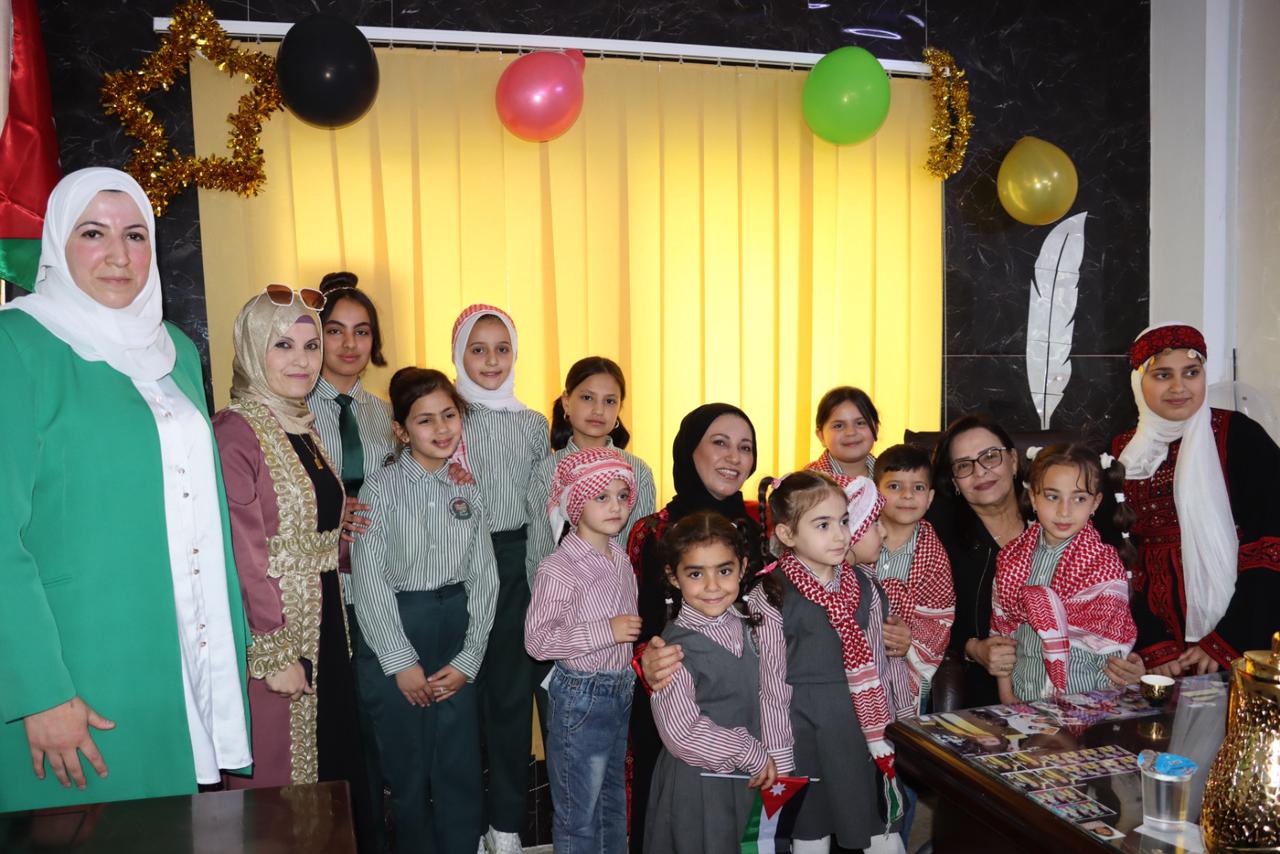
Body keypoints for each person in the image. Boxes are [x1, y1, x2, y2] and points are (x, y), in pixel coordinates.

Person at [0, 167, 252, 812]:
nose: (119, 254)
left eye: (136, 235)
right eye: (93, 233)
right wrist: (39, 691)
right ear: (57, 243)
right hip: (78, 662)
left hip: (179, 652)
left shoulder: (174, 349)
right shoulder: (16, 344)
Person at [214, 287, 365, 799]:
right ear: (252, 348)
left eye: (311, 345)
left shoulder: (300, 424)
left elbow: (316, 534)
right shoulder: (236, 431)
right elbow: (242, 550)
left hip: (326, 626)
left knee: (329, 766)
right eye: (283, 345)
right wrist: (275, 650)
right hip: (277, 634)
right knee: (281, 778)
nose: (302, 360)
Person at [351, 367, 498, 854]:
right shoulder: (380, 489)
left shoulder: (467, 487)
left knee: (459, 764)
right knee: (406, 769)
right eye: (425, 420)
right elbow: (369, 580)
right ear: (400, 430)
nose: (441, 429)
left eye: (449, 415)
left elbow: (485, 576)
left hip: (456, 628)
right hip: (399, 628)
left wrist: (469, 658)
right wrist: (400, 662)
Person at [626, 402, 761, 853]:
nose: (734, 457)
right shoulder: (653, 532)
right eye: (720, 443)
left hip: (749, 702)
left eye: (745, 447)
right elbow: (632, 619)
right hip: (677, 694)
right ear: (689, 450)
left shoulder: (762, 527)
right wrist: (645, 659)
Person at [751, 472, 910, 854]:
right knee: (810, 833)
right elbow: (771, 686)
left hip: (864, 731)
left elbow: (885, 666)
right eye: (822, 525)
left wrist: (905, 724)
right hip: (804, 735)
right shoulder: (770, 594)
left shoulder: (868, 587)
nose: (840, 535)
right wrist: (779, 755)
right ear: (787, 534)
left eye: (843, 521)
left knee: (881, 831)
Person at [1113, 323, 1280, 674]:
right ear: (1138, 382)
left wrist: (1230, 639)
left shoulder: (1239, 437)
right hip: (1150, 652)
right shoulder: (1119, 453)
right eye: (1162, 375)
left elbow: (1270, 545)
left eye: (1192, 372)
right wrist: (1152, 646)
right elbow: (1111, 557)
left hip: (1238, 640)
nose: (1179, 387)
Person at [449, 304, 551, 854]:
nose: (491, 361)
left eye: (502, 348)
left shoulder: (532, 424)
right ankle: (463, 823)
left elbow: (541, 507)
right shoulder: (446, 416)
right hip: (454, 566)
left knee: (512, 698)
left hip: (516, 562)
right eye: (478, 349)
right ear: (458, 354)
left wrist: (540, 579)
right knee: (459, 701)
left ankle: (506, 824)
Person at [306, 270, 395, 852]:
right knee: (332, 720)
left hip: (378, 580)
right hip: (320, 582)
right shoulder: (293, 406)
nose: (348, 344)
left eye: (361, 332)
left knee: (376, 715)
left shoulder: (383, 412)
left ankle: (377, 832)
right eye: (335, 330)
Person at [644, 511, 791, 854]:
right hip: (700, 788)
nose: (712, 586)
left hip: (753, 778)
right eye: (696, 574)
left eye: (724, 571)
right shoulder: (671, 650)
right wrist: (748, 751)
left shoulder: (754, 626)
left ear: (742, 567)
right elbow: (681, 732)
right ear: (674, 577)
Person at [525, 448, 640, 853]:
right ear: (576, 502)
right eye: (601, 496)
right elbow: (538, 640)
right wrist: (606, 631)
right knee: (579, 810)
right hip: (581, 695)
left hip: (619, 688)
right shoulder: (559, 567)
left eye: (622, 496)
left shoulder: (620, 559)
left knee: (611, 802)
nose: (616, 506)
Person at [990, 444, 1137, 703]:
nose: (1064, 511)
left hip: (1088, 703)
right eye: (1052, 497)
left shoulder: (1103, 565)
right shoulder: (1012, 558)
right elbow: (1002, 633)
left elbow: (1114, 652)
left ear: (1095, 503)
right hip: (1023, 699)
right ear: (1033, 497)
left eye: (1079, 499)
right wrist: (1007, 695)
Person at [926, 416, 1027, 710]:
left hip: (1073, 677)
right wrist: (972, 647)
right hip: (982, 689)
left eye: (990, 457)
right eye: (964, 466)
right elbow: (924, 616)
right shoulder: (938, 533)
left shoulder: (1055, 511)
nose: (980, 471)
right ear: (954, 481)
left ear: (1013, 460)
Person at [532, 356, 657, 553]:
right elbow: (538, 550)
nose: (598, 410)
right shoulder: (546, 471)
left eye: (609, 401)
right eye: (587, 398)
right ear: (566, 402)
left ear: (619, 408)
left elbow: (639, 549)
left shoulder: (638, 471)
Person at [873, 443, 955, 714]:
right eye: (894, 486)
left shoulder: (934, 555)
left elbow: (939, 617)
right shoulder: (853, 541)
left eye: (918, 487)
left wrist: (909, 638)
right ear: (876, 493)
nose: (907, 495)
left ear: (930, 498)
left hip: (905, 666)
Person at [809, 386, 880, 482]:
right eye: (838, 426)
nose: (851, 432)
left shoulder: (893, 479)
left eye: (860, 423)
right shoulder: (805, 485)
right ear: (821, 436)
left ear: (876, 429)